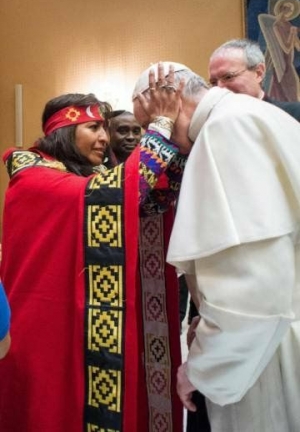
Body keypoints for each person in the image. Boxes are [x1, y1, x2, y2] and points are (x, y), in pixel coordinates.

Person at [0, 64, 191, 432]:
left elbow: (144, 203)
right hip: (43, 332)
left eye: (105, 128)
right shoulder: (33, 177)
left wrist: (177, 153)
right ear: (64, 132)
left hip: (78, 320)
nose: (104, 138)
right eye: (94, 128)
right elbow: (116, 194)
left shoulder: (82, 178)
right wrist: (162, 127)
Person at [133, 61, 300, 432]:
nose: (161, 139)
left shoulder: (225, 130)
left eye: (152, 123)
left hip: (263, 355)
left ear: (172, 99)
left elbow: (252, 285)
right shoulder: (255, 115)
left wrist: (203, 368)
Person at [208, 38, 300, 120]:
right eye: (213, 82)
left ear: (258, 73)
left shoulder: (293, 115)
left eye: (228, 77)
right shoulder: (213, 124)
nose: (219, 88)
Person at [258, 0, 300, 102]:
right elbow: (286, 48)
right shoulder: (276, 25)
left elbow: (298, 47)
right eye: (286, 8)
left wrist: (294, 34)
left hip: (289, 64)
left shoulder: (289, 25)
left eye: (290, 10)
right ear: (280, 8)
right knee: (286, 92)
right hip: (282, 64)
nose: (288, 11)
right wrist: (292, 33)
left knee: (293, 90)